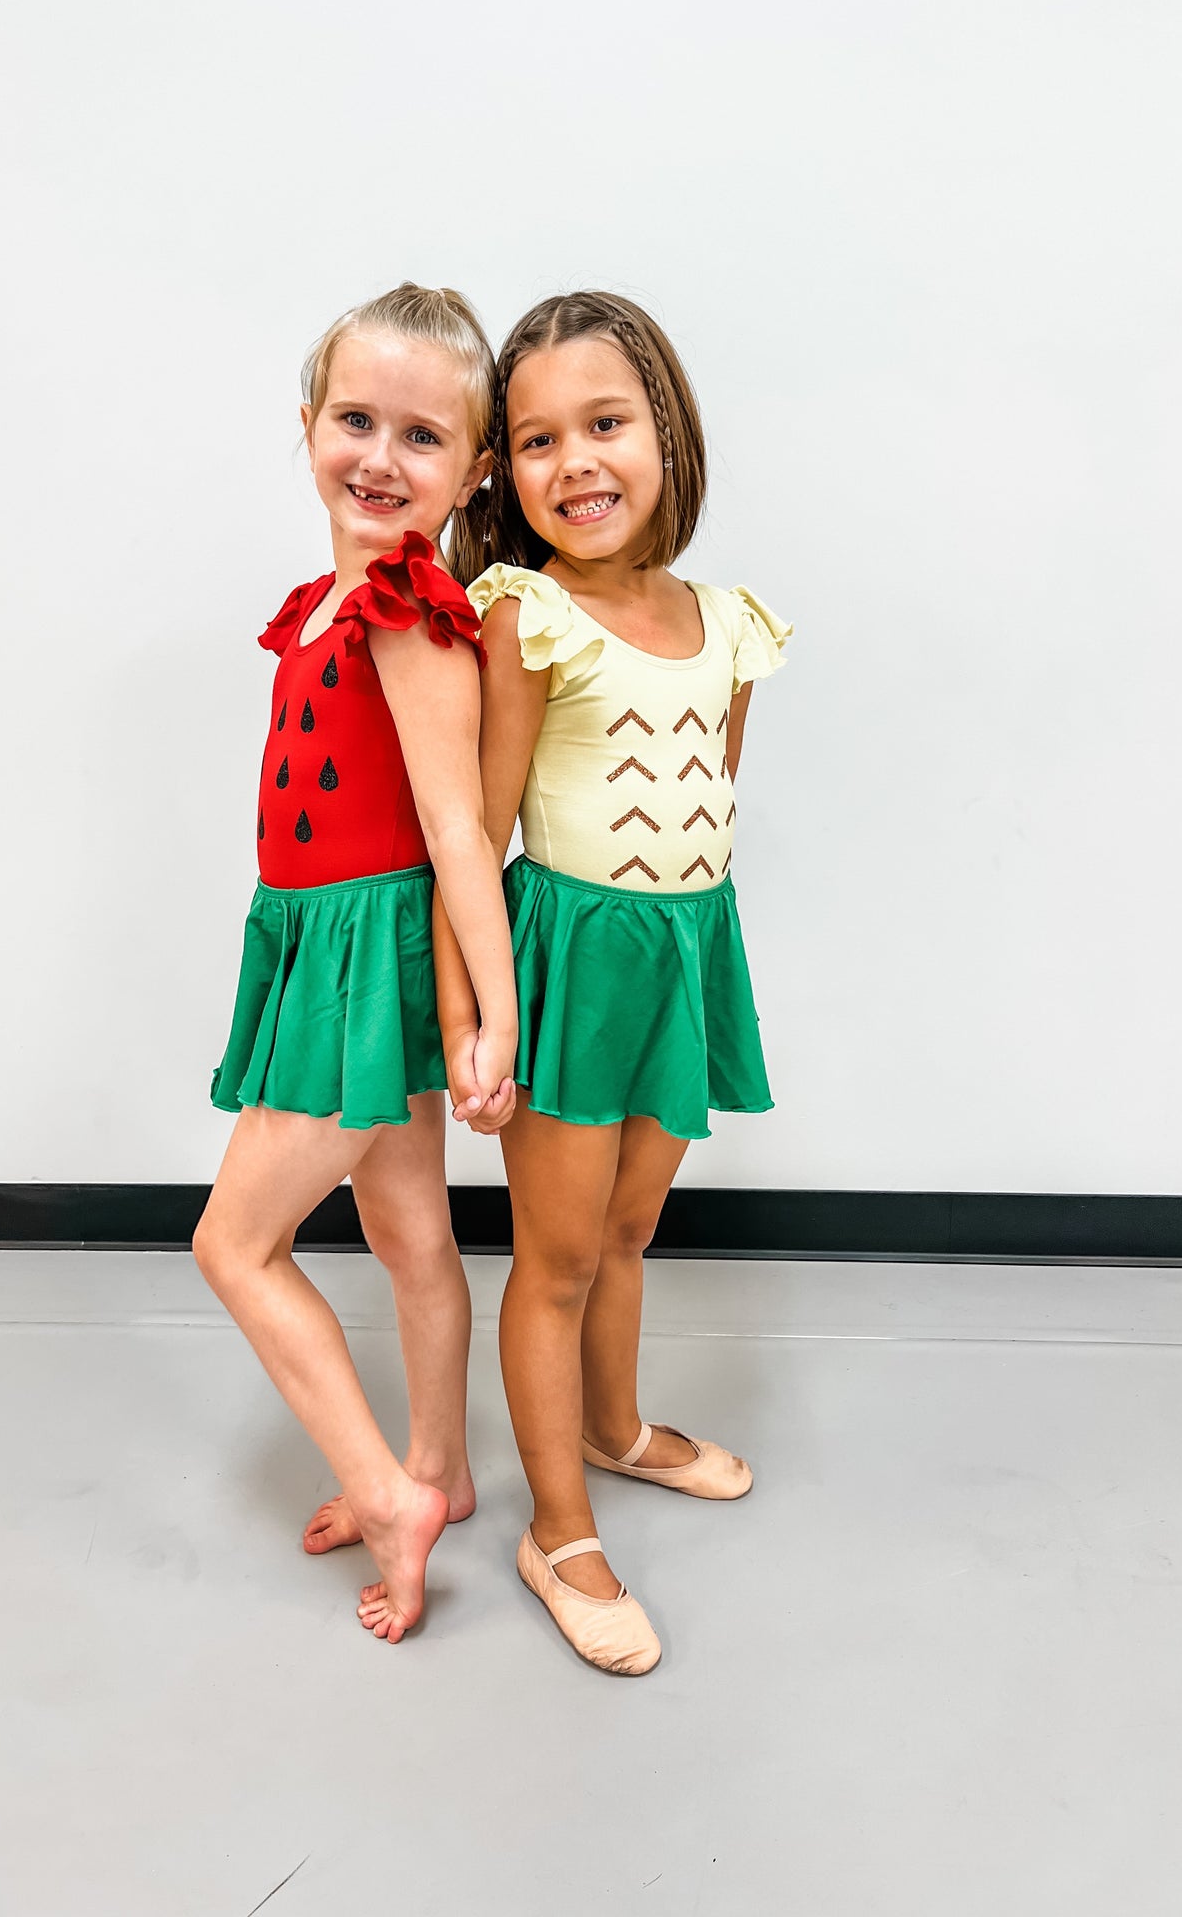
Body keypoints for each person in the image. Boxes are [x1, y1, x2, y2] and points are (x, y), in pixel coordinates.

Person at [438, 290, 793, 1674]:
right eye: (535, 440)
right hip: (569, 961)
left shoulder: (728, 621)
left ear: (667, 433)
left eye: (604, 423)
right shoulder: (523, 613)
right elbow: (473, 823)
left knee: (632, 1233)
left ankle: (615, 1425)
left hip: (679, 951)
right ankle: (558, 1528)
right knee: (560, 1253)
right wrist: (477, 1011)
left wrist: (680, 947)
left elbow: (714, 785)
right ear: (506, 474)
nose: (574, 462)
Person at [194, 284, 517, 1645]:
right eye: (354, 419)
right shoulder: (320, 603)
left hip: (364, 959)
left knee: (233, 1243)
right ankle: (438, 1471)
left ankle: (383, 1491)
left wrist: (492, 1013)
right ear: (310, 423)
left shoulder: (403, 605)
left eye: (423, 437)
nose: (380, 457)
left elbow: (457, 831)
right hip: (322, 936)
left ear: (475, 469)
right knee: (405, 1233)